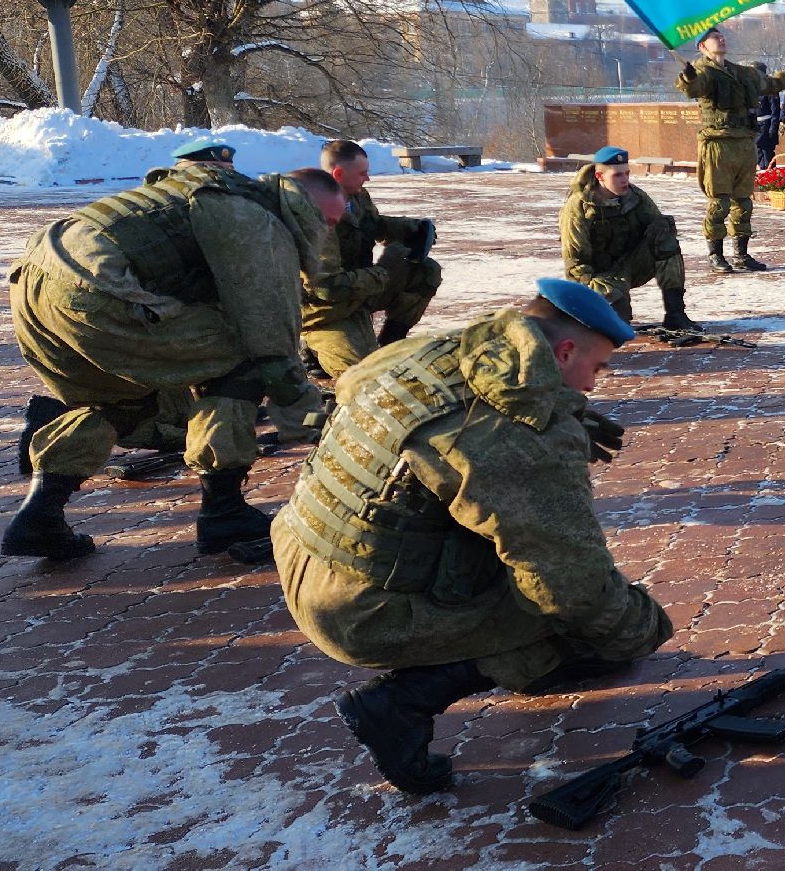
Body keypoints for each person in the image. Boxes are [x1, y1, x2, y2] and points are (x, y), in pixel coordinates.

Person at [273, 278, 675, 796]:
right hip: (361, 610)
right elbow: (567, 578)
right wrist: (638, 631)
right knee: (566, 611)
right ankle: (403, 702)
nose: (593, 387)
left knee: (531, 569)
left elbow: (361, 395)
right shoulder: (514, 436)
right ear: (565, 350)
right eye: (595, 369)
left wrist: (558, 410)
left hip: (303, 550)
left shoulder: (435, 350)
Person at [5, 138, 337, 562]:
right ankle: (224, 509)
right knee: (244, 357)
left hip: (35, 286)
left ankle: (40, 517)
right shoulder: (253, 215)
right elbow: (269, 333)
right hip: (100, 293)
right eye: (329, 221)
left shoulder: (185, 194)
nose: (330, 234)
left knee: (120, 399)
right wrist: (307, 417)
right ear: (306, 207)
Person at [301, 139, 442, 377]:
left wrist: (411, 228)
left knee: (425, 271)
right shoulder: (316, 214)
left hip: (358, 291)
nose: (367, 179)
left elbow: (372, 225)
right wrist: (380, 276)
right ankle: (311, 347)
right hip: (325, 310)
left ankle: (390, 343)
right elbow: (326, 288)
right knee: (364, 373)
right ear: (338, 174)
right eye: (362, 173)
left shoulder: (355, 196)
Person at [673, 27, 785, 272]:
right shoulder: (702, 71)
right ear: (702, 46)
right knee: (719, 203)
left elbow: (770, 83)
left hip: (744, 142)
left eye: (721, 36)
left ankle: (741, 255)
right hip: (719, 144)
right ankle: (716, 255)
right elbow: (693, 87)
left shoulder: (740, 72)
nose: (721, 39)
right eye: (714, 37)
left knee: (743, 203)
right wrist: (688, 77)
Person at [558, 146, 699, 331]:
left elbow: (659, 228)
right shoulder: (578, 207)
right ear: (600, 177)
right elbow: (575, 261)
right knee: (617, 324)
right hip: (600, 276)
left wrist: (662, 227)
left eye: (627, 173)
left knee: (665, 239)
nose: (625, 180)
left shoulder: (635, 196)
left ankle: (676, 314)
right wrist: (591, 293)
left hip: (631, 266)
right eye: (617, 175)